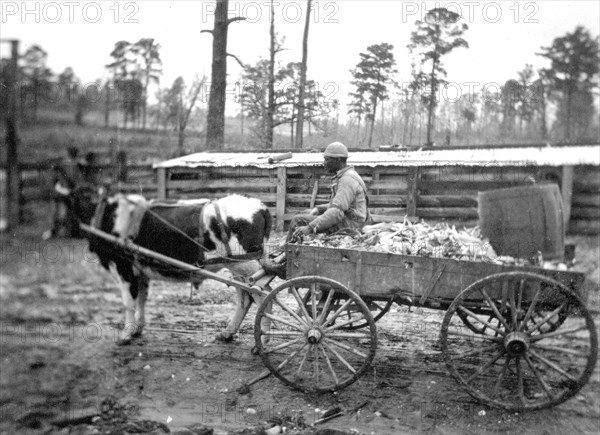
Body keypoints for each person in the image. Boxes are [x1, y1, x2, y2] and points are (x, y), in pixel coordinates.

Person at [287, 141, 371, 242]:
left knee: (298, 220)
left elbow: (336, 212)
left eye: (327, 160)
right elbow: (342, 205)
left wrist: (309, 228)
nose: (324, 163)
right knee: (305, 213)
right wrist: (319, 209)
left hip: (350, 225)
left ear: (338, 160)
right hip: (350, 220)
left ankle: (287, 252)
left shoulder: (347, 180)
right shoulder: (348, 175)